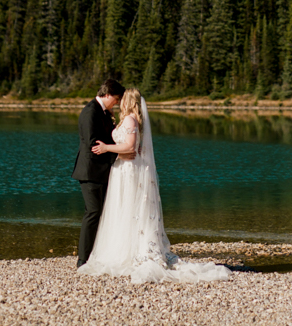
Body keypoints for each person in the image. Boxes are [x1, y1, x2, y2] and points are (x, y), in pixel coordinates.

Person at [78, 87, 230, 284]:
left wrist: (107, 147)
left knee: (129, 209)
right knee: (123, 210)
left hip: (128, 170)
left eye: (122, 100)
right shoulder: (128, 119)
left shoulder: (131, 119)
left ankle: (130, 252)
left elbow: (131, 147)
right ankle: (120, 248)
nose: (118, 102)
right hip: (122, 169)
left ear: (129, 101)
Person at [72, 78, 127, 268]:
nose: (118, 103)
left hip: (101, 170)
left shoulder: (103, 112)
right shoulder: (90, 112)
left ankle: (95, 254)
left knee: (101, 212)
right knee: (93, 212)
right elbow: (93, 144)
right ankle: (82, 260)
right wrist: (117, 155)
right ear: (108, 94)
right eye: (117, 99)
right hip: (90, 171)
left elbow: (107, 138)